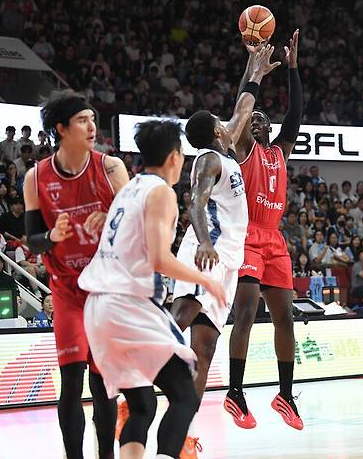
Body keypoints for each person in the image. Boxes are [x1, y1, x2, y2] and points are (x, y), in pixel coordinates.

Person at [79, 120, 226, 459]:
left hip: (98, 309)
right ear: (175, 157)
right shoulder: (161, 192)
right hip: (126, 306)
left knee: (142, 405)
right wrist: (206, 280)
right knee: (184, 394)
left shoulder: (130, 188)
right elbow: (160, 258)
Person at [170, 45, 279, 454]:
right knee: (181, 317)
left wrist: (256, 69)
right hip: (208, 250)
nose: (228, 122)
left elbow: (244, 106)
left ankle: (181, 432)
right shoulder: (207, 161)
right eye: (221, 122)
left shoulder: (226, 148)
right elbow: (195, 205)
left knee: (205, 348)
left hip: (228, 258)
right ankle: (131, 386)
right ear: (217, 131)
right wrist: (203, 241)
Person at [23, 89, 129, 459]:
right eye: (82, 120)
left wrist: (113, 215)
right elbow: (33, 240)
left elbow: (140, 224)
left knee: (103, 383)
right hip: (67, 290)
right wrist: (52, 236)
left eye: (93, 119)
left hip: (105, 290)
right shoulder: (36, 177)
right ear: (62, 128)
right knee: (71, 380)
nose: (91, 126)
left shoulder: (111, 168)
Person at [227, 29, 304, 431]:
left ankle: (285, 394)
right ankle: (235, 392)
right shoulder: (245, 150)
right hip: (247, 236)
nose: (254, 122)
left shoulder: (279, 152)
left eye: (261, 120)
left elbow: (296, 115)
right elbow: (242, 107)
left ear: (270, 129)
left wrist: (293, 69)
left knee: (285, 319)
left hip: (274, 240)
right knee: (245, 313)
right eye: (251, 120)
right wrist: (252, 70)